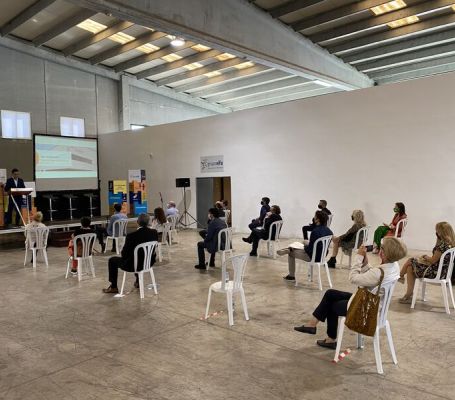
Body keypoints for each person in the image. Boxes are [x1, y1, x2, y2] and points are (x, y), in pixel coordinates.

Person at [293, 237, 407, 349]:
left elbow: (353, 278)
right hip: (375, 307)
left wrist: (358, 258)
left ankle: (330, 339)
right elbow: (373, 276)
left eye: (381, 248)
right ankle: (312, 325)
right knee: (330, 293)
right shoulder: (394, 266)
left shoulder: (378, 272)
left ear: (384, 253)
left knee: (331, 306)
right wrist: (365, 260)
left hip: (365, 310)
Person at [397, 222, 455, 304]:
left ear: (441, 232)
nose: (436, 233)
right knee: (410, 266)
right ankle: (408, 292)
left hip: (436, 273)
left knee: (411, 261)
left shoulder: (442, 245)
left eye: (437, 231)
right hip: (444, 272)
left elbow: (432, 260)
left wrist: (425, 257)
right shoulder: (451, 244)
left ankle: (400, 277)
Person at [103, 213, 158, 294]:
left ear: (137, 222)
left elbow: (124, 254)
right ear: (148, 222)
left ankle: (113, 286)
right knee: (137, 256)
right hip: (148, 262)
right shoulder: (154, 232)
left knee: (112, 260)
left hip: (134, 265)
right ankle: (138, 281)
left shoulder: (131, 236)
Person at [279, 211, 333, 281]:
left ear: (318, 219)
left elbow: (310, 250)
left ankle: (291, 275)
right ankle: (290, 248)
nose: (314, 218)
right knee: (301, 245)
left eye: (315, 216)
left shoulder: (315, 231)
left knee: (291, 253)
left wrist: (305, 246)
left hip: (313, 257)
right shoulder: (329, 231)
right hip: (322, 256)